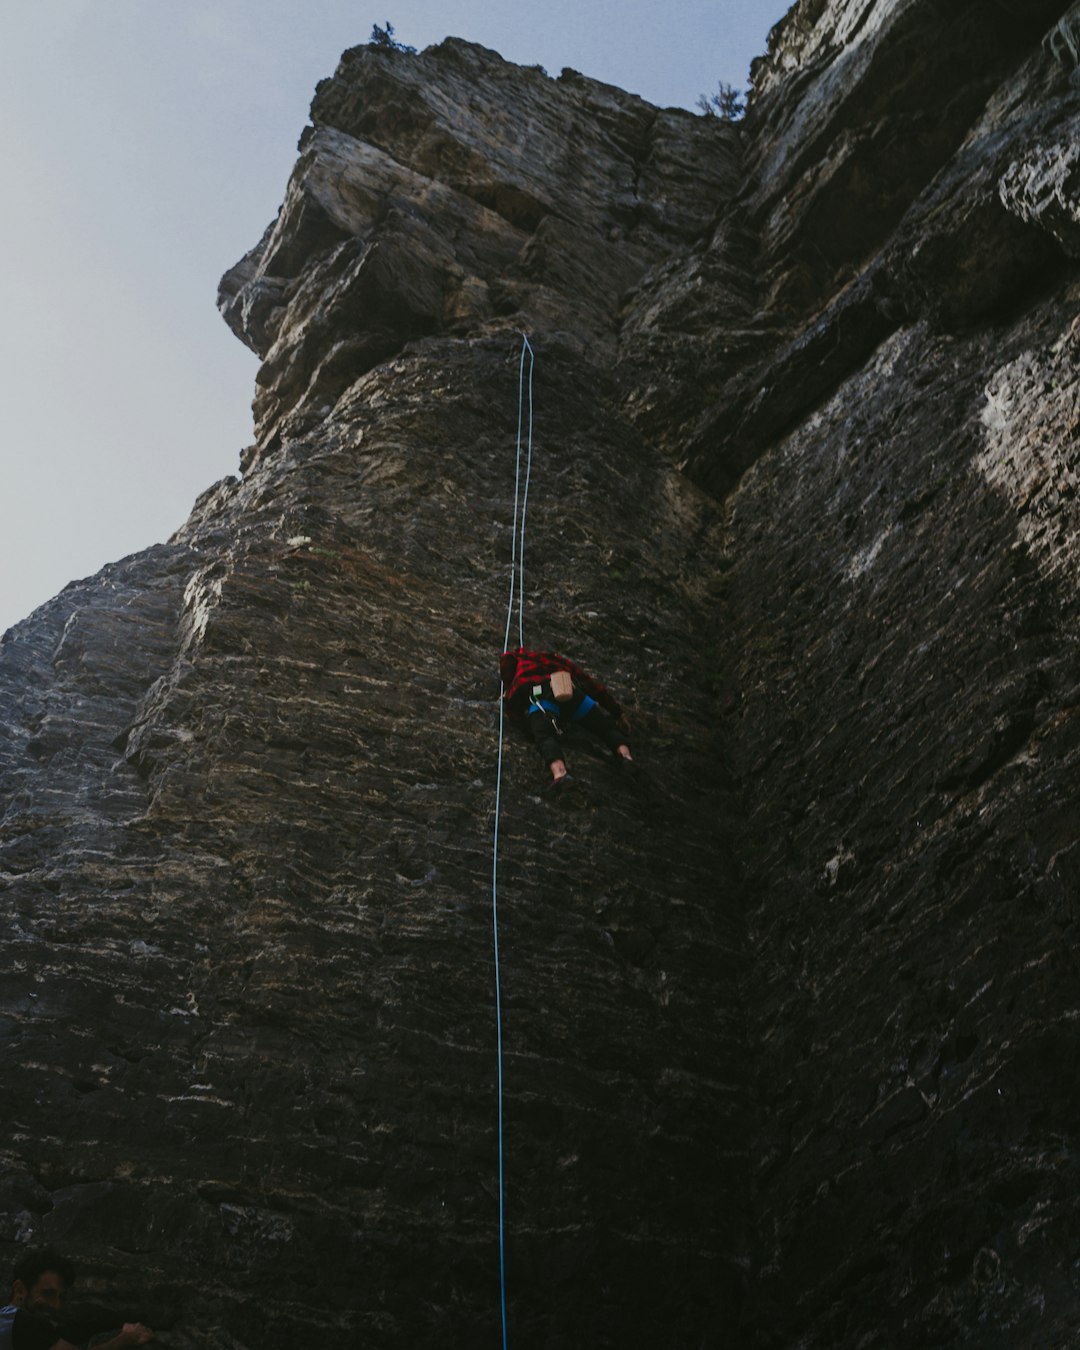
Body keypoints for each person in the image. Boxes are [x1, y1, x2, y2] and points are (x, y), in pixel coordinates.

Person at [499, 646, 633, 787]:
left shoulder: (517, 665)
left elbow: (514, 705)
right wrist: (618, 713)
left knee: (545, 737)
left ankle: (560, 773)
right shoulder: (553, 658)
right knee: (605, 727)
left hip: (542, 696)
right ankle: (626, 756)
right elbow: (591, 684)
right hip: (571, 693)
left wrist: (517, 716)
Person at [0, 1250, 152, 1350]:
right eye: (48, 1294)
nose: (56, 1305)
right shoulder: (24, 1322)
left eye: (61, 1297)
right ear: (19, 1289)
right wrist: (127, 1337)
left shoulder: (6, 1321)